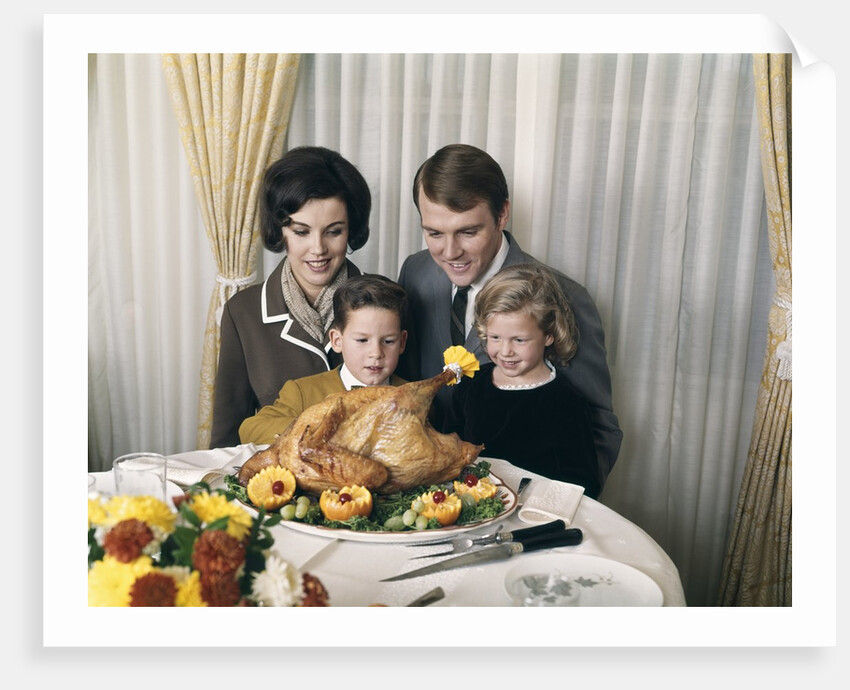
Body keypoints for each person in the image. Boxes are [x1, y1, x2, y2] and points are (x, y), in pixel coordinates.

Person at [397, 143, 622, 484]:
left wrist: (542, 512)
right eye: (434, 233)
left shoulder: (566, 298)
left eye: (468, 231)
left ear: (502, 214)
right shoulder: (415, 271)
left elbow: (598, 431)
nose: (449, 252)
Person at [211, 146, 371, 448]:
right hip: (278, 486)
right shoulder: (242, 313)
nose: (318, 248)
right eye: (301, 232)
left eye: (333, 231)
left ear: (351, 231)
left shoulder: (388, 304)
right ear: (280, 230)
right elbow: (227, 437)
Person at [444, 264, 601, 497]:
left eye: (519, 340)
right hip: (470, 507)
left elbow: (583, 482)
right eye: (495, 337)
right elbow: (449, 446)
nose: (505, 351)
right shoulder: (470, 384)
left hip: (530, 517)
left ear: (549, 335)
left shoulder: (566, 403)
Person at [238, 274, 408, 446]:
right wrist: (317, 426)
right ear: (337, 341)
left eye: (388, 341)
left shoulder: (413, 396)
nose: (376, 353)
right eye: (362, 340)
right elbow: (250, 429)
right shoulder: (302, 392)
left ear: (402, 342)